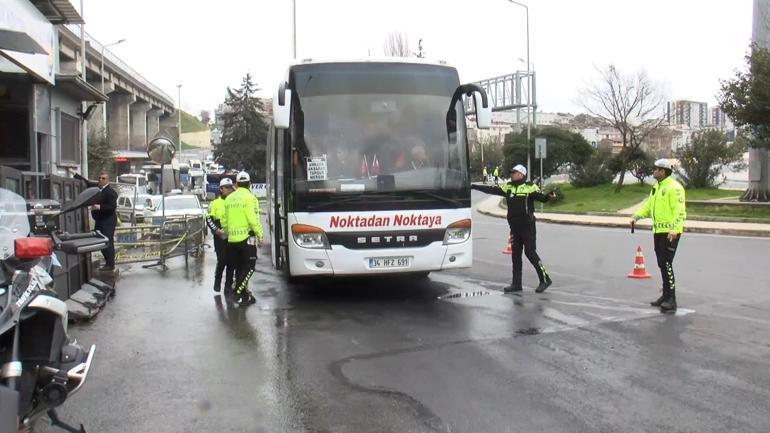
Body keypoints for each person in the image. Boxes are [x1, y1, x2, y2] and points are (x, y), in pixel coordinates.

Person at [472, 164, 556, 293]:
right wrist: (474, 186)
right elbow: (491, 189)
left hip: (527, 225)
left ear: (521, 174)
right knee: (515, 255)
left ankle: (545, 279)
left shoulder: (529, 187)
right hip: (514, 227)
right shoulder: (508, 187)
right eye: (511, 172)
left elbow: (542, 199)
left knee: (530, 252)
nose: (511, 174)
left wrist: (549, 195)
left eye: (514, 172)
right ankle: (516, 284)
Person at [630, 158, 686, 313]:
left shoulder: (674, 188)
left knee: (667, 264)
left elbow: (679, 211)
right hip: (658, 231)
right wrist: (637, 216)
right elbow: (649, 206)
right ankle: (665, 295)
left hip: (670, 233)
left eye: (656, 169)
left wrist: (675, 229)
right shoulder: (657, 187)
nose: (653, 171)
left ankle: (672, 299)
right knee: (661, 263)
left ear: (663, 171)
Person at [221, 171, 263, 306]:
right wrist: (260, 235)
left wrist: (228, 233)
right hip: (246, 240)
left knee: (239, 268)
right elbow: (253, 219)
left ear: (237, 185)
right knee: (250, 268)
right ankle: (237, 292)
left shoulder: (229, 199)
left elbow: (224, 221)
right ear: (249, 184)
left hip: (232, 241)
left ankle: (244, 296)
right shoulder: (250, 198)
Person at [74, 171, 118, 271]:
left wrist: (99, 207)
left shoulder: (110, 192)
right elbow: (87, 183)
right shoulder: (98, 188)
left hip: (108, 221)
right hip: (100, 220)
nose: (101, 180)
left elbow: (112, 207)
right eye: (100, 178)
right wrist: (75, 174)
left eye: (103, 178)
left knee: (107, 241)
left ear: (108, 180)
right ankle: (107, 263)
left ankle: (110, 264)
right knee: (100, 241)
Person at [206, 177, 235, 294]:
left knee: (231, 261)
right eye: (226, 188)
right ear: (221, 189)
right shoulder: (214, 203)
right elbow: (208, 219)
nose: (229, 190)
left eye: (230, 188)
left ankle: (228, 286)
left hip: (232, 235)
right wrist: (216, 230)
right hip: (219, 236)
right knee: (222, 260)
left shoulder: (234, 202)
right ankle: (217, 282)